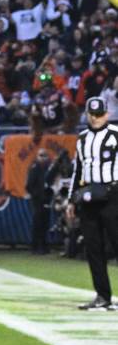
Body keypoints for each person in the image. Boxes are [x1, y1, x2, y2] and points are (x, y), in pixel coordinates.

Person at [67, 97, 118, 311]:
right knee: (93, 248)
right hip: (88, 197)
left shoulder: (116, 134)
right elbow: (77, 171)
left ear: (106, 113)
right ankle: (103, 296)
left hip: (113, 194)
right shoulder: (82, 139)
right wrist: (71, 200)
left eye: (99, 114)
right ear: (87, 115)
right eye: (92, 114)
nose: (96, 118)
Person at [26, 148, 54, 255]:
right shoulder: (34, 168)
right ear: (37, 157)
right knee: (37, 223)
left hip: (47, 199)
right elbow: (29, 185)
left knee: (45, 223)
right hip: (37, 200)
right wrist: (37, 195)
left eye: (45, 155)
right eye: (41, 155)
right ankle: (35, 246)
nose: (43, 158)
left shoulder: (49, 168)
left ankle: (44, 245)